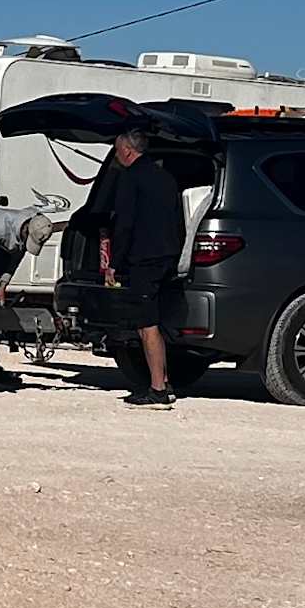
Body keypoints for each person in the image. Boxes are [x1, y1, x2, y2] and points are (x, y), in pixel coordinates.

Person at [84, 121, 186, 405]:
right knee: (155, 319)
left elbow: (125, 223)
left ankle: (157, 389)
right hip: (166, 257)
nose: (116, 156)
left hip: (144, 258)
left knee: (146, 324)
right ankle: (165, 381)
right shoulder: (165, 177)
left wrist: (114, 263)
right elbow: (179, 220)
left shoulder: (130, 178)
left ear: (128, 151)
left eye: (117, 151)